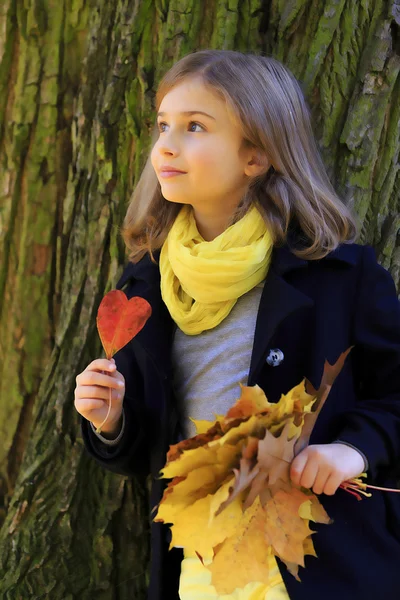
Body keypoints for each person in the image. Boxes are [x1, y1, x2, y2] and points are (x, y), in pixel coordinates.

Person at [74, 49, 400, 600]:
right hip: (203, 565)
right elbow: (145, 452)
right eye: (163, 126)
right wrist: (110, 421)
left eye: (195, 127)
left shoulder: (338, 276)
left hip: (320, 560)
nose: (166, 146)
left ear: (256, 156)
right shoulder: (147, 283)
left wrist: (352, 449)